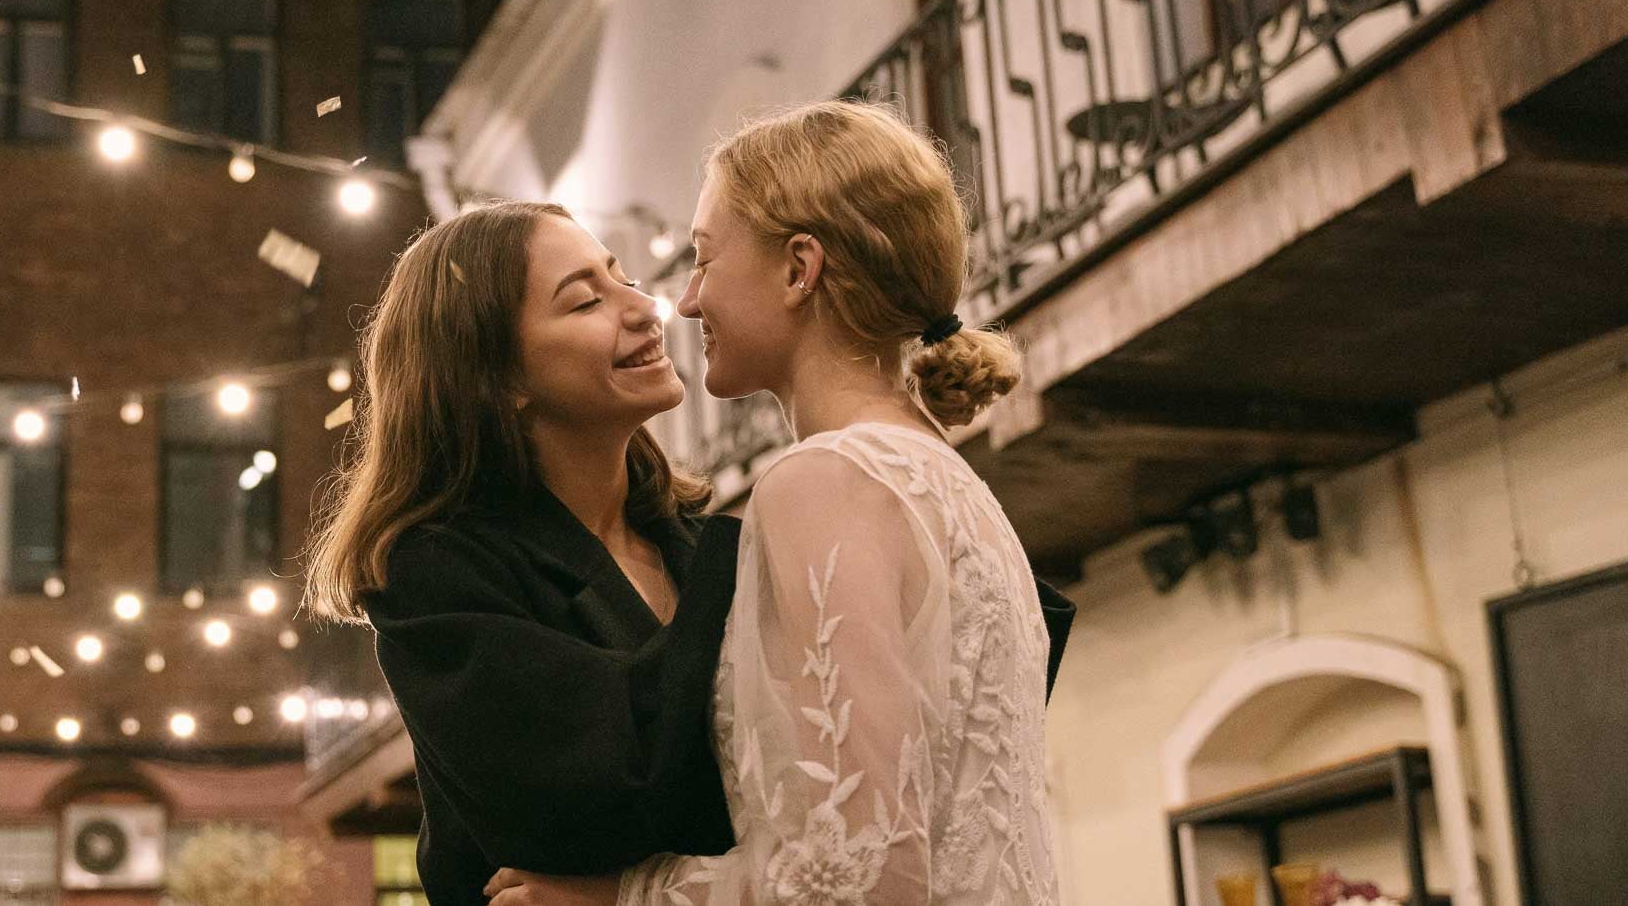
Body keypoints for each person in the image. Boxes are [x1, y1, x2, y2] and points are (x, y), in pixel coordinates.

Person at [489, 101, 1067, 906]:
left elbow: (868, 870)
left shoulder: (823, 480)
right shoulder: (945, 476)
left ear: (800, 268)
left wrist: (620, 898)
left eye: (704, 259)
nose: (685, 302)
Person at [301, 202, 741, 906]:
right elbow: (613, 783)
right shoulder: (433, 573)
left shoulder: (684, 537)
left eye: (624, 277)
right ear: (497, 378)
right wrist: (749, 549)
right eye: (587, 300)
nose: (644, 306)